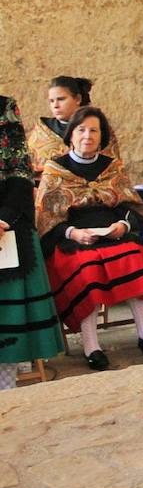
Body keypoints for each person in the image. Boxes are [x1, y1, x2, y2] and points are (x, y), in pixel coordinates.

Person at [36, 107, 143, 371]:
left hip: (112, 232)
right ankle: (91, 347)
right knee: (88, 269)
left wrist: (122, 224)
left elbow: (132, 205)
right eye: (81, 130)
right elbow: (46, 218)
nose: (87, 136)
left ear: (102, 136)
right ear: (71, 135)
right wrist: (73, 233)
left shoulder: (112, 167)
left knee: (134, 256)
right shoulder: (55, 169)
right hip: (72, 238)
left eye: (94, 130)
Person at [0, 96, 64, 390]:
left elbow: (19, 169)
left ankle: (6, 388)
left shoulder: (4, 108)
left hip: (4, 219)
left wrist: (5, 218)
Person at [27, 75, 121, 175]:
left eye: (61, 99)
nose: (55, 105)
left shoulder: (98, 127)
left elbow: (111, 168)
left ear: (78, 99)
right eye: (51, 101)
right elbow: (28, 166)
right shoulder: (43, 130)